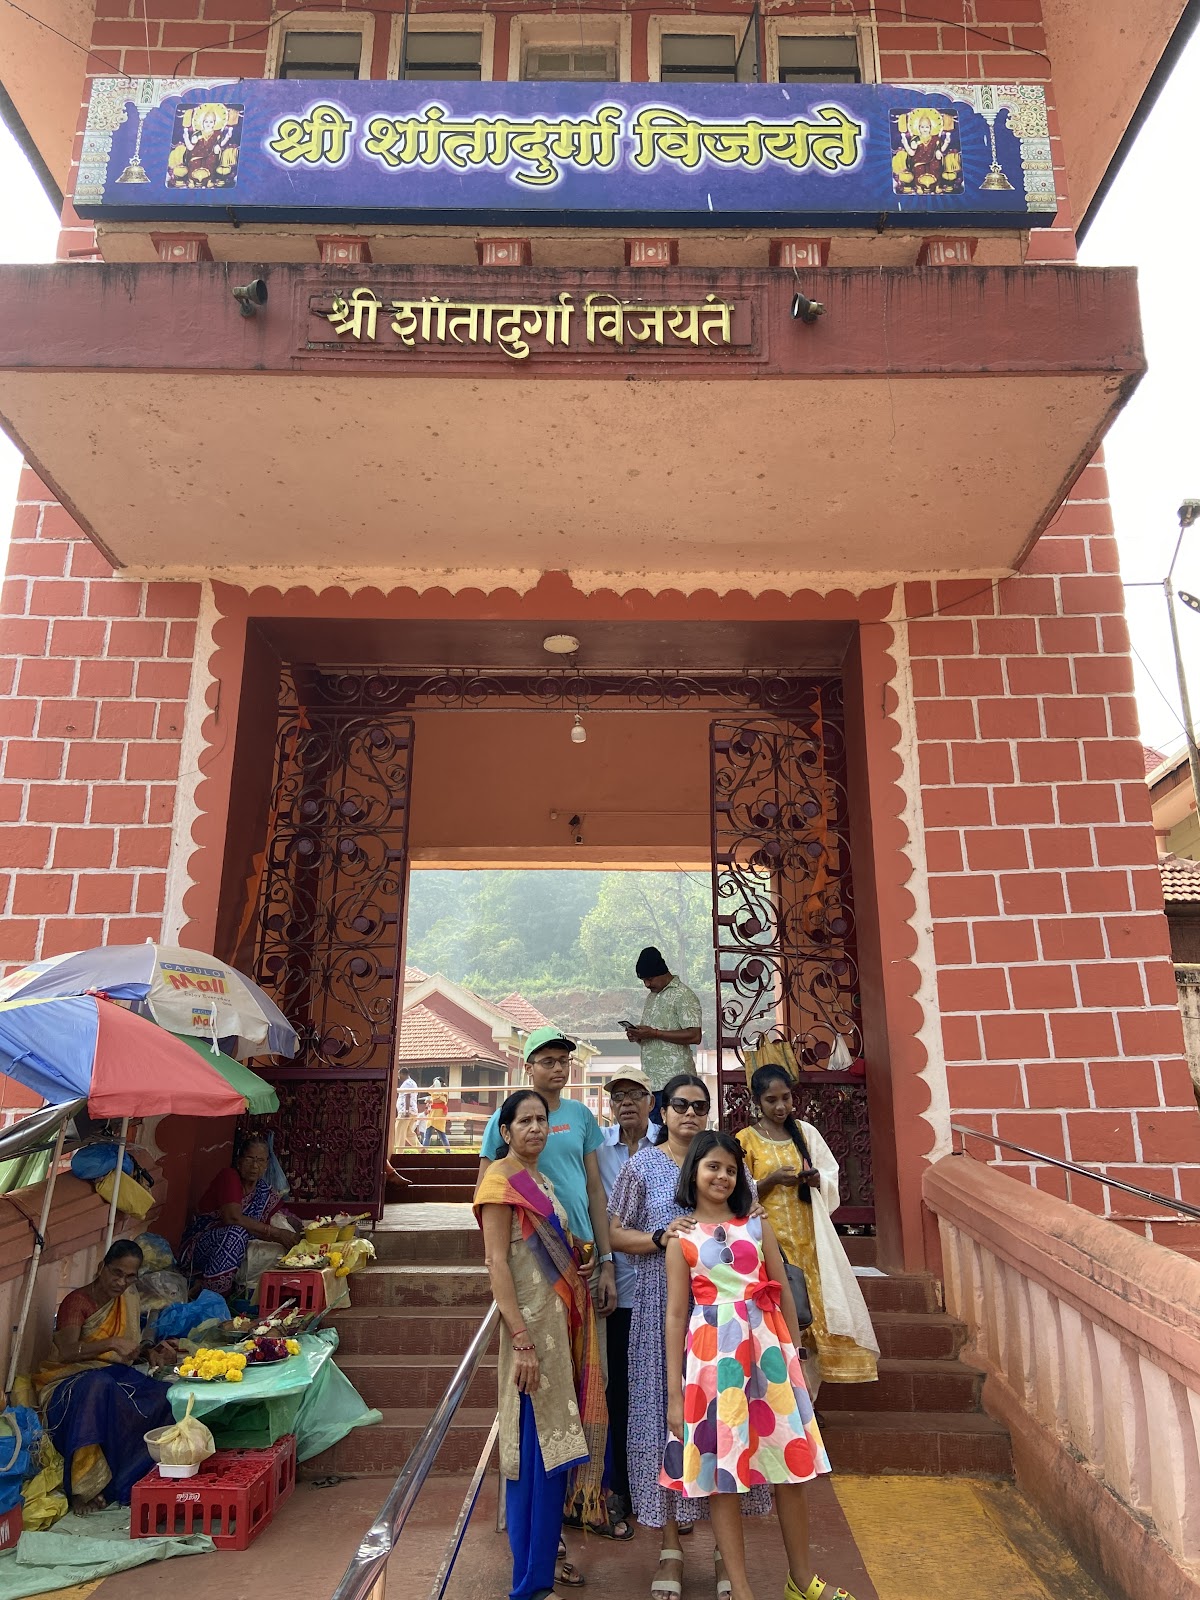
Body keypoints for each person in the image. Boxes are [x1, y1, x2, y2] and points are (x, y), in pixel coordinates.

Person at [660, 1132, 858, 1600]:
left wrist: (795, 1356)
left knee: (791, 1467)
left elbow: (783, 1289)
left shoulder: (756, 1223)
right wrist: (674, 1392)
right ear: (693, 1172)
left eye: (731, 1169)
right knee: (722, 1476)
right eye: (713, 1167)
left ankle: (802, 1580)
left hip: (769, 1355)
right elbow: (675, 1316)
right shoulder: (680, 1238)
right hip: (714, 1364)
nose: (722, 1176)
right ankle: (743, 1588)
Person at [609, 1072, 750, 1597]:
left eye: (700, 1106)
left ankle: (724, 1553)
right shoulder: (642, 1166)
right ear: (662, 1111)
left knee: (724, 1428)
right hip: (659, 1313)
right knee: (663, 1425)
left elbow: (750, 1219)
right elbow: (613, 1231)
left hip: (726, 1319)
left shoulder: (726, 1163)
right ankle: (670, 1547)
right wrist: (658, 1236)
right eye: (680, 1105)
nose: (690, 1114)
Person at [475, 1089, 609, 1600]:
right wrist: (522, 1341)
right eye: (524, 1121)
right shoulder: (499, 1183)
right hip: (529, 1341)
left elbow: (554, 1250)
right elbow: (496, 1262)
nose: (535, 1128)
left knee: (555, 1457)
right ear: (505, 1131)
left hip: (559, 1336)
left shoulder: (543, 1182)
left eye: (541, 1120)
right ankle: (528, 1585)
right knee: (531, 1461)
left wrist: (583, 1258)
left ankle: (541, 1577)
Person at [737, 1066, 878, 1387]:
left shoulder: (806, 1132)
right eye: (771, 1100)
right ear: (756, 1101)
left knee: (815, 1315)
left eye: (786, 1098)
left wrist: (816, 1180)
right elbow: (738, 1194)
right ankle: (785, 1397)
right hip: (769, 1246)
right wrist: (771, 1181)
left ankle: (810, 1400)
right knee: (780, 1317)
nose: (780, 1106)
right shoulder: (745, 1140)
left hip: (811, 1243)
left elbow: (829, 1173)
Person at [34, 1241, 177, 1514]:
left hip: (111, 1375)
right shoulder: (77, 1302)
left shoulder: (128, 1299)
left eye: (130, 1276)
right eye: (116, 1273)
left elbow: (126, 1350)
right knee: (99, 1387)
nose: (121, 1282)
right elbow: (67, 1351)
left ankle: (128, 1479)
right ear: (102, 1268)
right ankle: (84, 1489)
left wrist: (148, 1352)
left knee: (166, 1396)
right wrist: (110, 1343)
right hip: (69, 1381)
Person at [594, 1066, 659, 1522]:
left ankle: (667, 1491)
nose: (627, 1103)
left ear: (652, 1102)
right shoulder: (598, 1148)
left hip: (663, 1291)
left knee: (662, 1390)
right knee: (618, 1390)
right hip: (618, 1289)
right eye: (618, 1096)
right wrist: (605, 1266)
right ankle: (621, 1487)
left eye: (635, 1094)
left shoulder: (668, 1144)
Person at [179, 1133, 296, 1299]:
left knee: (277, 1252)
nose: (254, 1166)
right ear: (239, 1161)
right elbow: (233, 1218)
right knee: (236, 1232)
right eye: (250, 1159)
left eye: (260, 1160)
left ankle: (244, 1292)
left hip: (236, 1250)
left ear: (266, 1165)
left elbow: (279, 1216)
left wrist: (300, 1233)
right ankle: (214, 1295)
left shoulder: (262, 1190)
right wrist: (277, 1234)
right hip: (199, 1247)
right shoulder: (229, 1177)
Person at [623, 948, 702, 1100]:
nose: (647, 984)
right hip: (651, 1084)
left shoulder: (683, 994)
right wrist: (639, 1036)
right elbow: (655, 1039)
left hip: (677, 1084)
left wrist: (655, 1033)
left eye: (650, 979)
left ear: (662, 972)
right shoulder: (651, 997)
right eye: (643, 980)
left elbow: (695, 1035)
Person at [395, 1072, 419, 1153]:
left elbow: (407, 1096)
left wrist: (406, 1110)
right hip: (413, 1111)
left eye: (399, 1075)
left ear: (402, 1074)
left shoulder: (407, 1083)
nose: (399, 1078)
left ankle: (398, 1153)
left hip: (405, 1112)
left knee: (399, 1133)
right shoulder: (413, 1083)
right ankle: (421, 1148)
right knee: (408, 1133)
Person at [423, 1082, 451, 1150]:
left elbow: (439, 1100)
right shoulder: (434, 1092)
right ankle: (424, 1151)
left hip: (439, 1116)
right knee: (427, 1136)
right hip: (431, 1116)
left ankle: (448, 1151)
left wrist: (430, 1101)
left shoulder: (444, 1092)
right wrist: (433, 1085)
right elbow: (428, 1090)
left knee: (442, 1136)